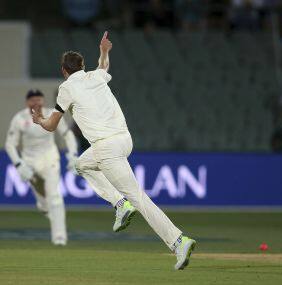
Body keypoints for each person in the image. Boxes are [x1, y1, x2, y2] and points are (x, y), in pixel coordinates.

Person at [31, 31, 196, 270]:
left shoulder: (66, 88)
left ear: (63, 71)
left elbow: (52, 125)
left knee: (139, 198)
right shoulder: (96, 76)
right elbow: (104, 66)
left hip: (106, 147)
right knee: (81, 164)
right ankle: (119, 204)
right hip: (124, 139)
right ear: (83, 66)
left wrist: (39, 120)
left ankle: (178, 241)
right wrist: (104, 51)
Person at [5, 89, 78, 245]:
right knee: (43, 201)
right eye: (33, 100)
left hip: (49, 159)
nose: (36, 102)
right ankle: (43, 205)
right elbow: (10, 144)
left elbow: (67, 134)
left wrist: (72, 154)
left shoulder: (52, 113)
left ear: (43, 100)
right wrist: (18, 164)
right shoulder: (19, 119)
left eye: (39, 99)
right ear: (27, 103)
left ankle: (59, 237)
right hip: (29, 162)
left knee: (55, 197)